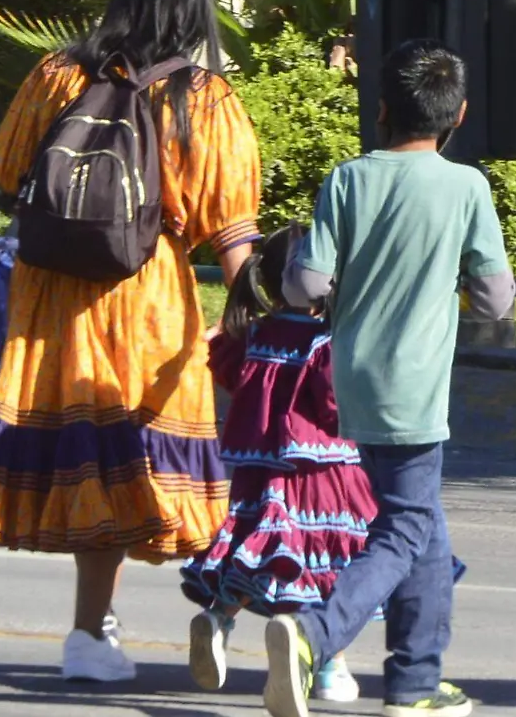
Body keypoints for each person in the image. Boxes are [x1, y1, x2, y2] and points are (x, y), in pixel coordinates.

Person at [0, 0, 262, 682]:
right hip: (146, 295)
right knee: (145, 462)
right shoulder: (202, 97)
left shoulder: (56, 73)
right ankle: (225, 608)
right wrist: (256, 313)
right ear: (193, 2)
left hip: (53, 294)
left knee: (90, 460)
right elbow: (233, 224)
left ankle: (91, 633)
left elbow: (10, 170)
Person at [264, 40, 515, 717]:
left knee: (425, 531)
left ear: (381, 110)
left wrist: (302, 284)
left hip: (354, 379)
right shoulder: (467, 188)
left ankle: (414, 683)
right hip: (415, 389)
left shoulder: (348, 179)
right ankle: (312, 635)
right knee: (404, 529)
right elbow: (494, 301)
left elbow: (307, 284)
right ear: (457, 114)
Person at [183, 224, 374, 704]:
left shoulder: (254, 335)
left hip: (257, 470)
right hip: (325, 471)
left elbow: (227, 370)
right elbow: (334, 405)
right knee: (327, 557)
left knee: (259, 548)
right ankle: (328, 665)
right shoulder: (325, 342)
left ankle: (218, 618)